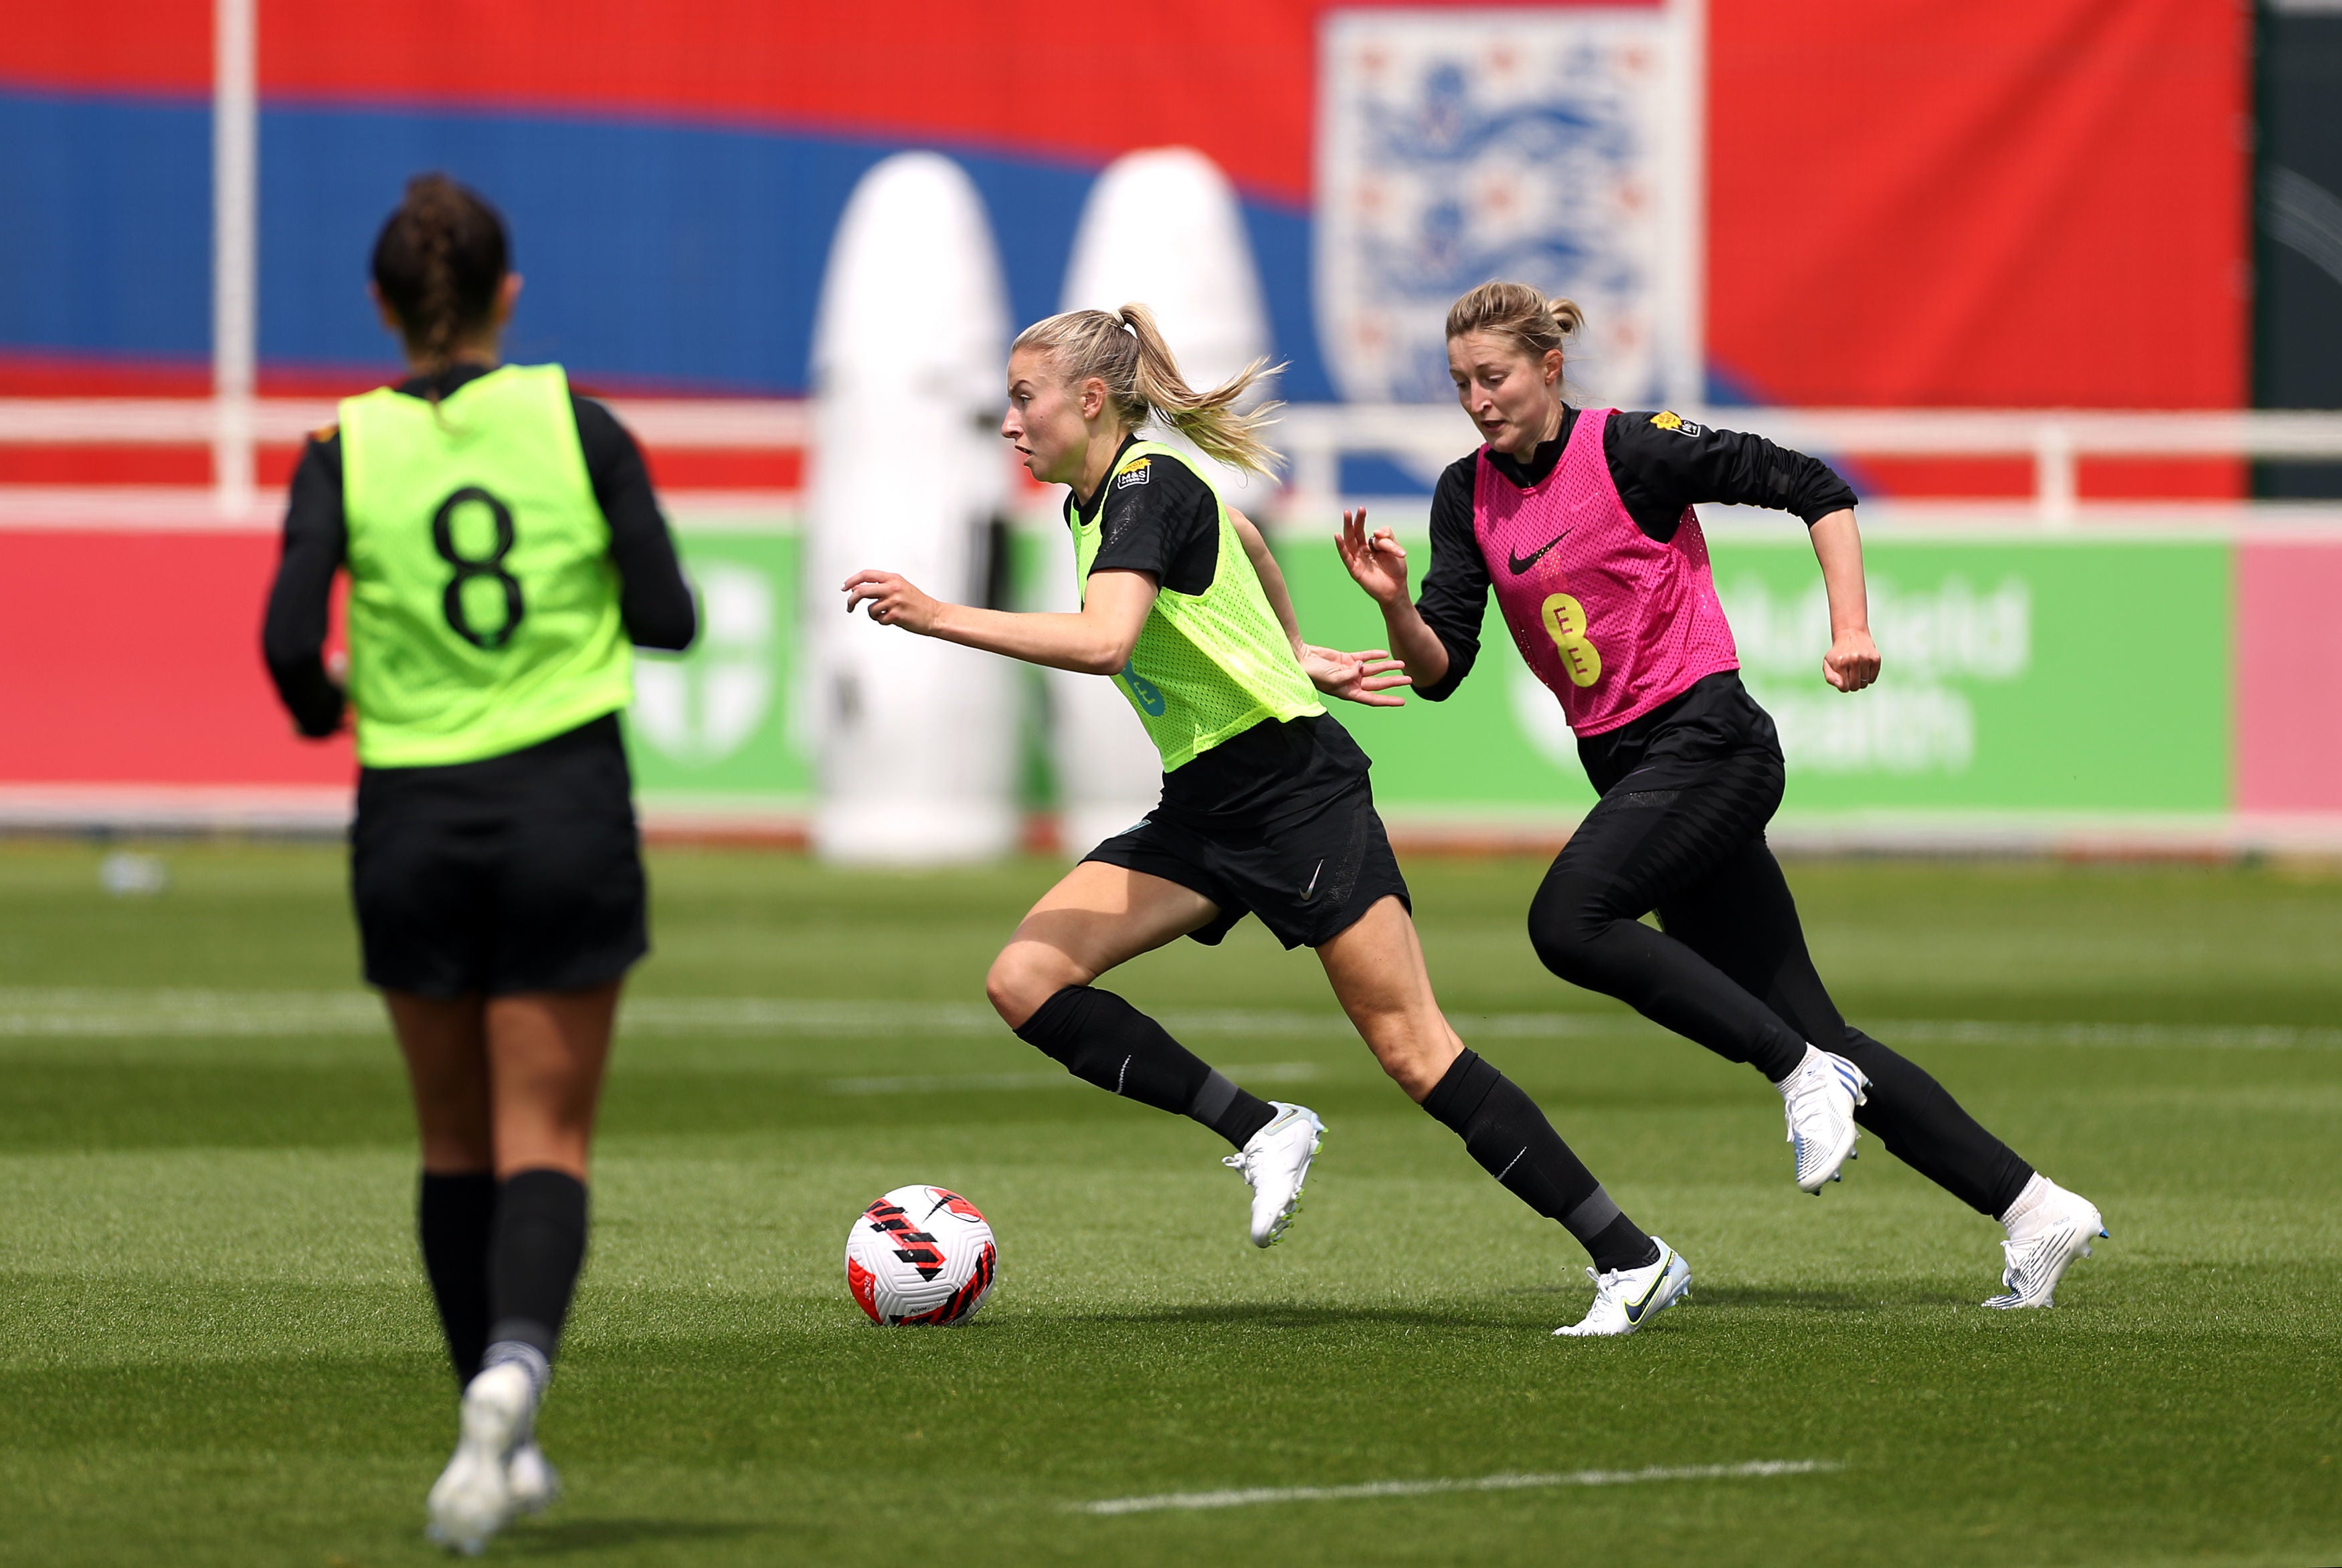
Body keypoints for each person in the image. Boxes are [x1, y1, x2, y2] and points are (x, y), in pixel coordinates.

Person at [841, 304, 1690, 1338]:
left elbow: (1109, 641)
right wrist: (1292, 649)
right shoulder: (1103, 497)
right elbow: (1240, 535)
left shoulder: (1147, 487)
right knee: (1025, 980)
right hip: (1205, 804)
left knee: (1416, 1051)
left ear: (1092, 399)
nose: (1010, 421)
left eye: (1026, 398)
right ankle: (1261, 1127)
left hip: (1295, 797)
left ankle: (1631, 1257)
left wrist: (939, 616)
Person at [1336, 280, 2106, 1311]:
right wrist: (1395, 607)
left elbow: (1814, 485)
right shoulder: (1462, 495)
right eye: (1461, 383)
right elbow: (1441, 668)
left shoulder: (1634, 448)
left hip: (1713, 748)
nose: (1478, 400)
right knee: (1830, 1036)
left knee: (1570, 921)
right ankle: (2034, 1208)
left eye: (1497, 376)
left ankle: (1798, 1073)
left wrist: (1852, 626)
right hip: (1634, 770)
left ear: (1550, 368)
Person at [261, 173, 698, 1551]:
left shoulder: (343, 448)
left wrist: (335, 709)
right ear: (508, 296)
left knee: (451, 1141)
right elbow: (673, 615)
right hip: (563, 803)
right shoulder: (581, 427)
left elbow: (284, 643)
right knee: (545, 1138)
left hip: (412, 816)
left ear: (382, 310)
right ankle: (513, 1374)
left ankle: (491, 1432)